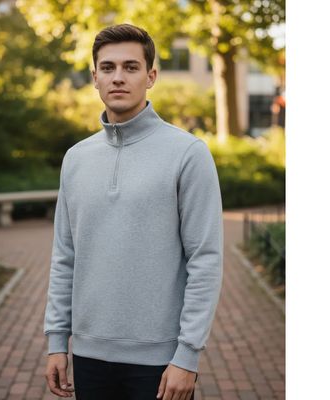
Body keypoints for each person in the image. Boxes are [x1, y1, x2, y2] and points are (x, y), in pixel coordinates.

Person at [44, 23, 224, 400]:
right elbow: (64, 256)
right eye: (107, 68)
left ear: (151, 76)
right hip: (89, 357)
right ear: (95, 77)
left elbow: (205, 259)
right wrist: (57, 341)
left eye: (131, 67)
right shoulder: (76, 159)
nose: (118, 77)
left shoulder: (188, 153)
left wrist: (187, 356)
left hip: (161, 361)